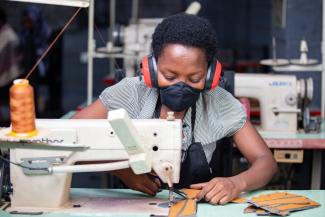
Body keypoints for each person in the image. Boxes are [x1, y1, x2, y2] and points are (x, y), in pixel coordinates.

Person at [73, 13, 277, 205]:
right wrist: (122, 171)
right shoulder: (131, 93)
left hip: (199, 206)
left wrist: (236, 183)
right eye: (170, 77)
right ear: (152, 69)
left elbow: (266, 161)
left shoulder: (219, 103)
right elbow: (68, 138)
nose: (180, 86)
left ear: (209, 75)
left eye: (194, 79)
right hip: (131, 205)